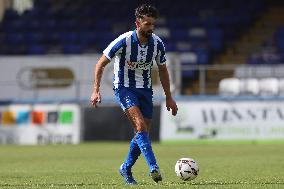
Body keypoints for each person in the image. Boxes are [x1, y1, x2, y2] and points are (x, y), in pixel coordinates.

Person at [90, 4, 178, 185]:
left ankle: (126, 168)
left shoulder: (157, 44)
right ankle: (154, 167)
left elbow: (163, 70)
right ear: (137, 24)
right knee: (140, 127)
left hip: (145, 90)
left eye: (153, 25)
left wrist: (169, 96)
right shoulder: (124, 41)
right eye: (147, 24)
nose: (151, 28)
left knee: (142, 132)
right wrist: (96, 90)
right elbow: (100, 64)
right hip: (124, 87)